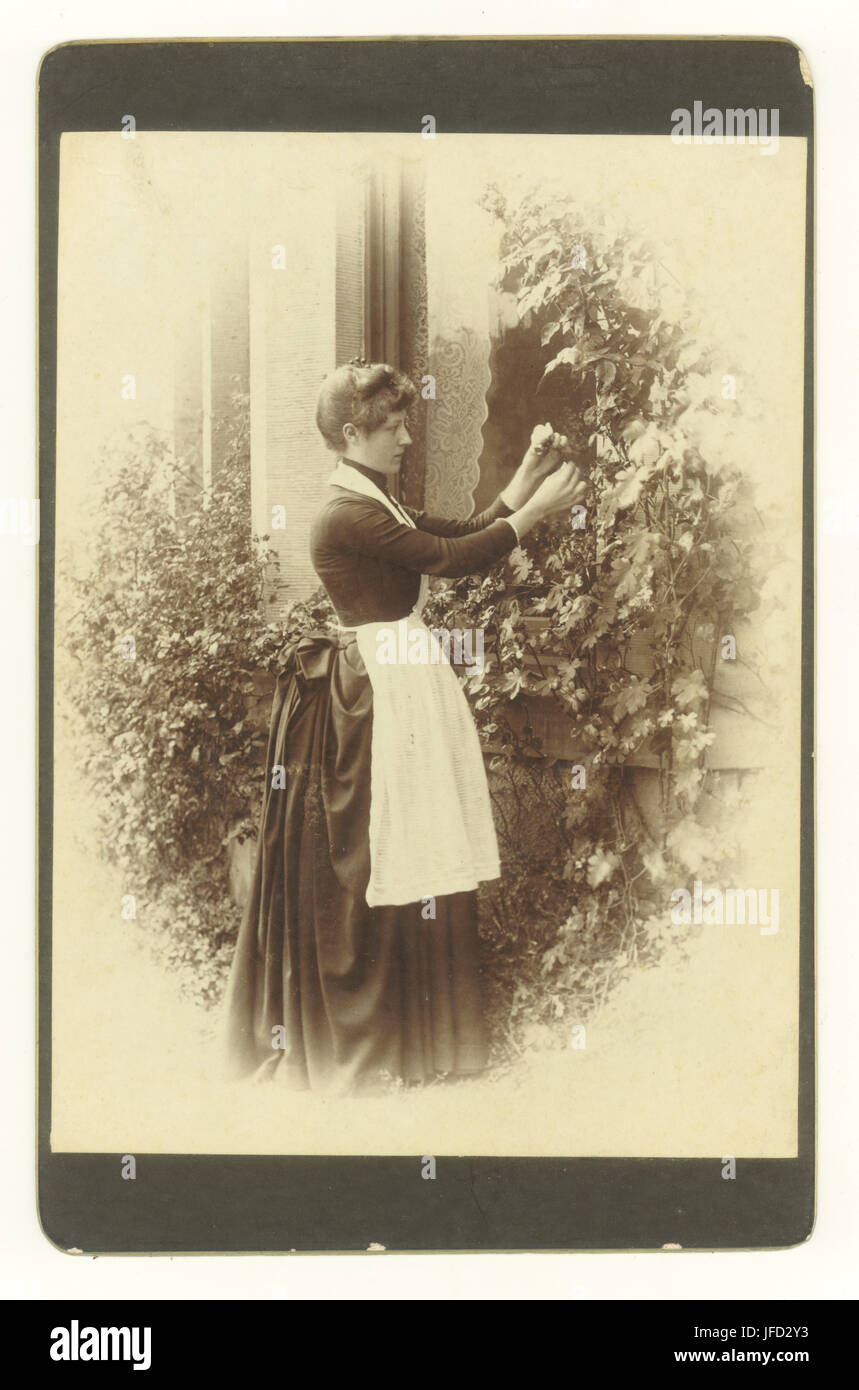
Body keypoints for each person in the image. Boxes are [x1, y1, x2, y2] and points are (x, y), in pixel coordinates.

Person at [220, 359, 586, 1095]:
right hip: (369, 696)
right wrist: (538, 513)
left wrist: (523, 476)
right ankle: (365, 1036)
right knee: (373, 853)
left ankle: (414, 1034)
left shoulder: (373, 497)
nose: (408, 438)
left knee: (413, 844)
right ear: (352, 433)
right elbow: (449, 561)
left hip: (399, 682)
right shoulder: (343, 513)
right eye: (393, 428)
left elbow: (455, 530)